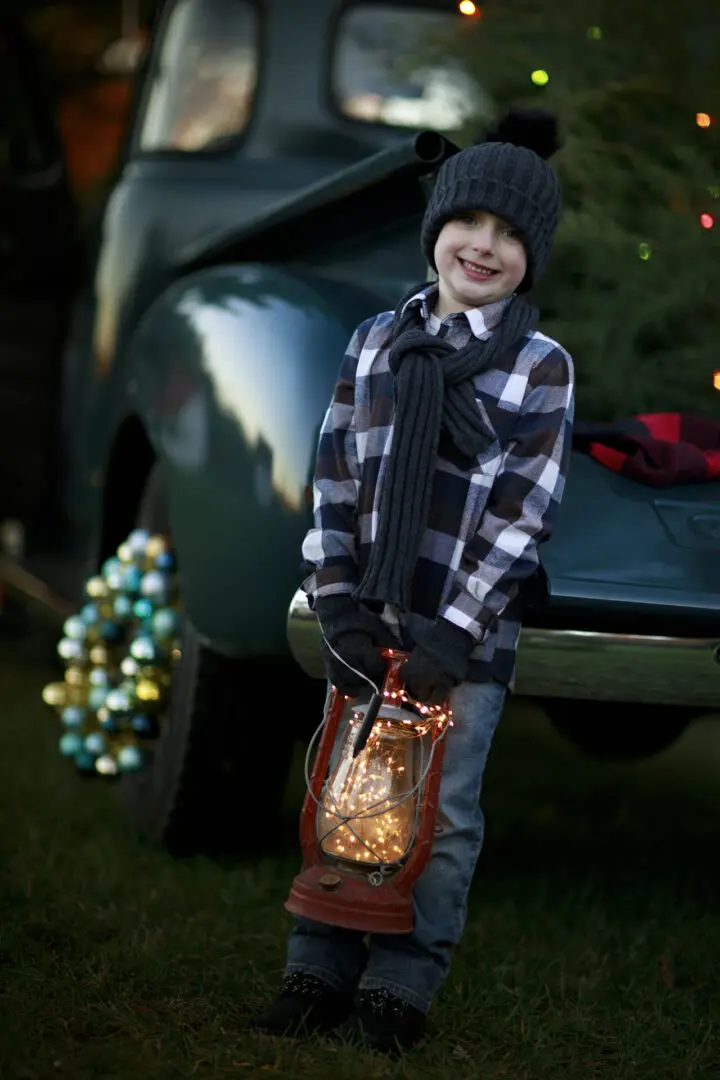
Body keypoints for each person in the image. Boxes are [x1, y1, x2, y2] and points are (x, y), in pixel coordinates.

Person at [255, 108, 575, 1055]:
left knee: (441, 808)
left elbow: (526, 514)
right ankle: (318, 964)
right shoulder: (374, 342)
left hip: (460, 645)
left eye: (513, 235)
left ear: (533, 256)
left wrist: (454, 636)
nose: (486, 245)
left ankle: (400, 985)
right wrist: (338, 598)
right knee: (349, 791)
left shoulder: (538, 368)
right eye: (471, 221)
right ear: (438, 227)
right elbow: (335, 476)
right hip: (369, 625)